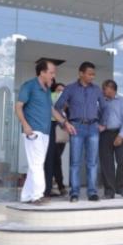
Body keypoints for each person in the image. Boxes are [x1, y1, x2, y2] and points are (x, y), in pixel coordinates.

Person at [16, 60, 74, 205]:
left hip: (46, 132)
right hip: (33, 130)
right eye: (51, 72)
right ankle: (37, 196)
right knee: (37, 164)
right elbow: (18, 107)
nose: (53, 76)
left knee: (36, 164)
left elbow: (51, 109)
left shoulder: (47, 89)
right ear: (42, 72)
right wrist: (25, 125)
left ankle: (26, 196)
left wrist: (64, 122)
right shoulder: (29, 86)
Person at [55, 61, 106, 202]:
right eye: (89, 74)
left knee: (92, 162)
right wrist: (65, 124)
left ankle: (92, 192)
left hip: (93, 128)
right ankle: (74, 193)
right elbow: (57, 107)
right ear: (81, 73)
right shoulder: (70, 89)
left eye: (93, 74)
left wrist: (103, 124)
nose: (92, 77)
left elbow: (104, 107)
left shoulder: (96, 90)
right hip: (76, 127)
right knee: (75, 162)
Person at [99, 79, 123, 199]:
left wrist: (121, 135)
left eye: (104, 88)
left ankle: (121, 187)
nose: (102, 90)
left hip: (119, 132)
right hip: (105, 134)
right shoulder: (101, 102)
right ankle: (109, 191)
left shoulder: (122, 102)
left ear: (112, 88)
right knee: (106, 163)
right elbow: (96, 116)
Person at [43, 81, 68, 197]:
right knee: (52, 160)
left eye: (63, 91)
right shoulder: (50, 99)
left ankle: (57, 185)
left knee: (56, 160)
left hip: (61, 133)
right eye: (58, 90)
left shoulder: (67, 104)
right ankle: (56, 186)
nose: (61, 93)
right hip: (51, 129)